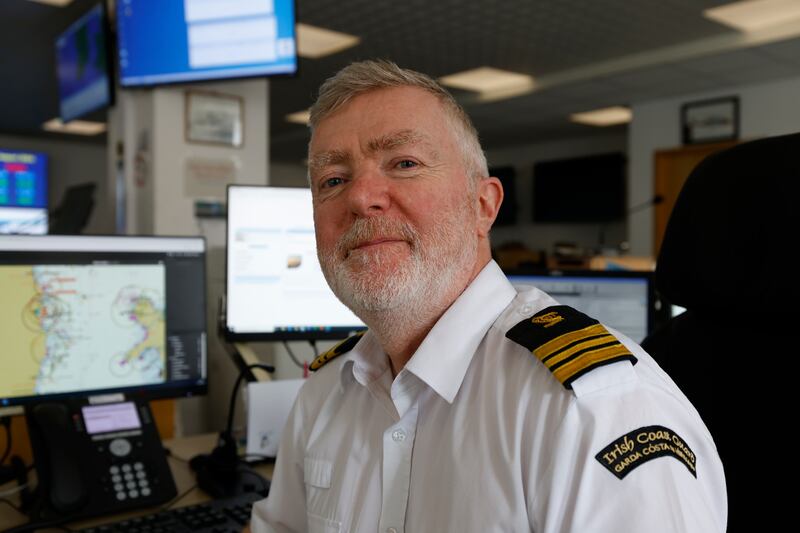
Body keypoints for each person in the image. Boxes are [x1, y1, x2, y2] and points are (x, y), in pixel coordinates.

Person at [248, 60, 727, 533]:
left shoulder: (592, 408)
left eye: (405, 163)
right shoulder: (324, 392)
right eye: (333, 180)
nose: (360, 197)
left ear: (484, 205)